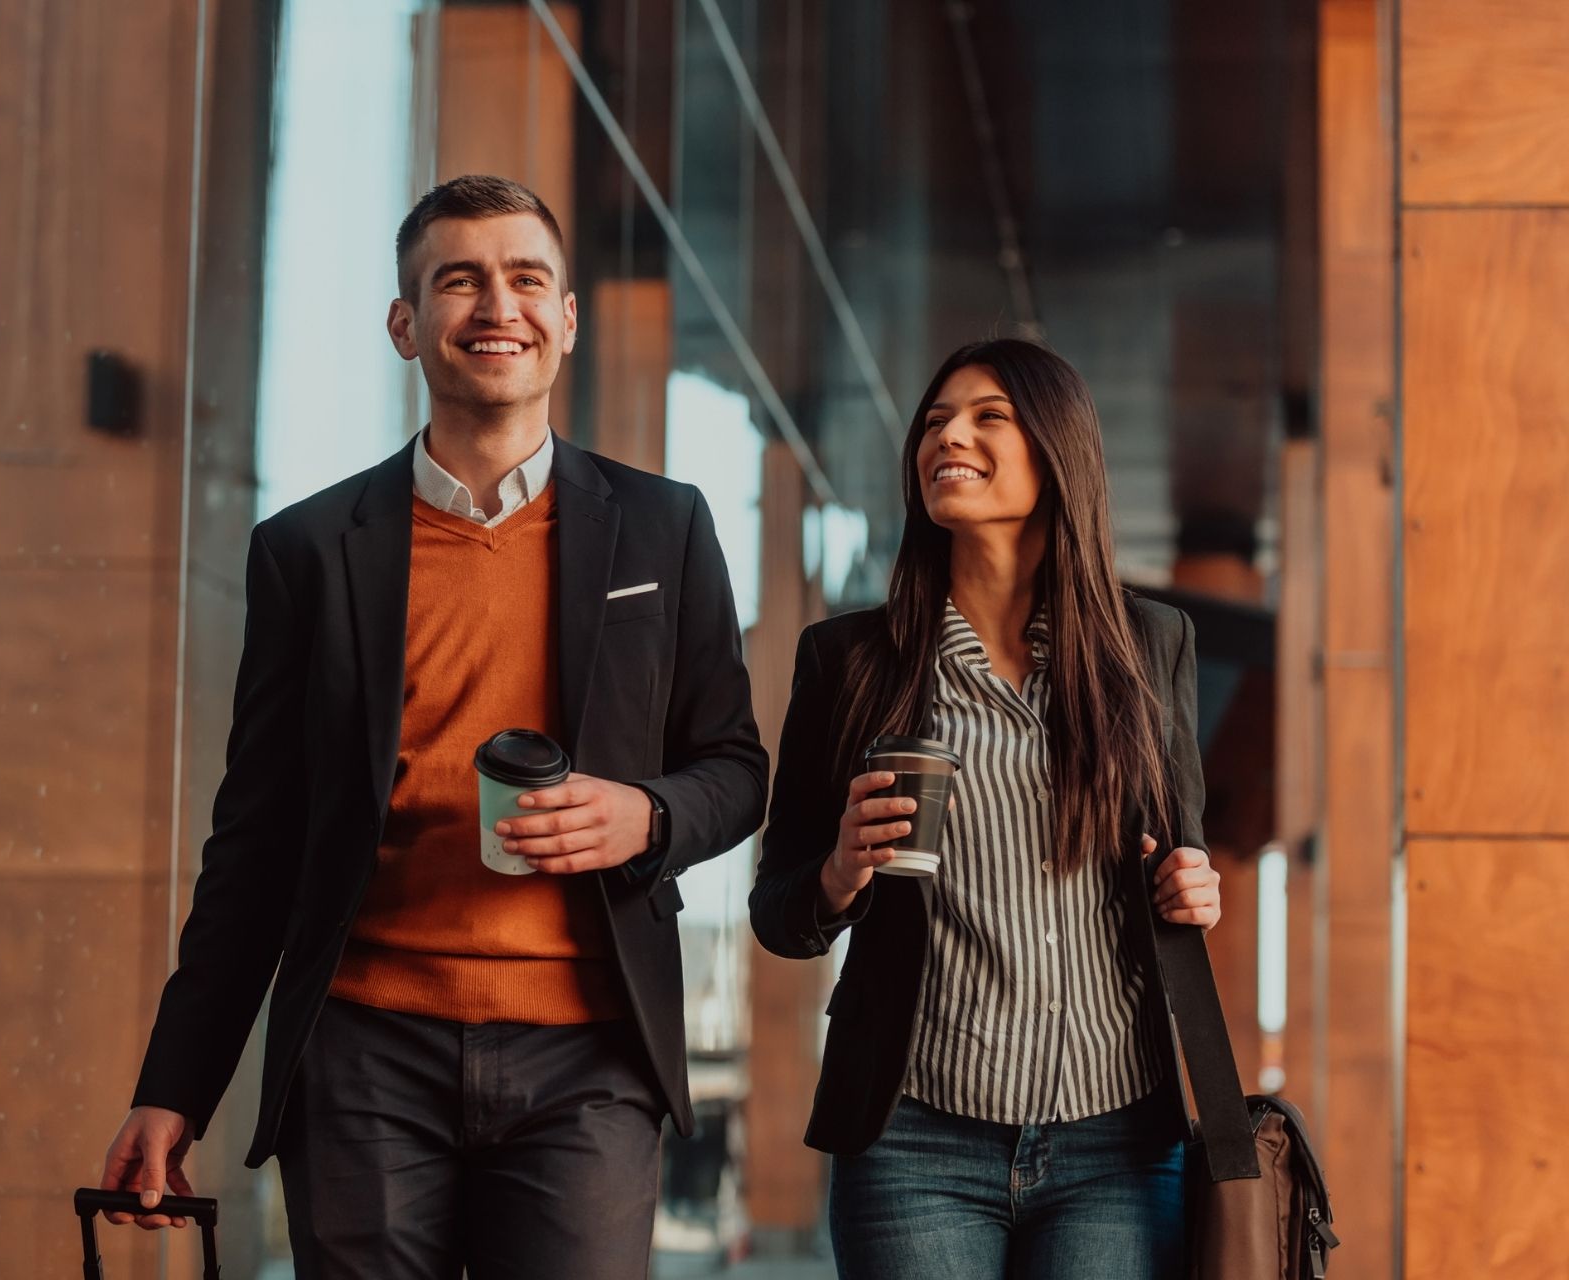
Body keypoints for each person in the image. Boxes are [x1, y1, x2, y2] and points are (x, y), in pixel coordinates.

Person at [98, 174, 768, 1279]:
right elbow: (256, 842)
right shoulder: (307, 551)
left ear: (566, 319)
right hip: (364, 1053)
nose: (498, 305)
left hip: (590, 1056)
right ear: (405, 324)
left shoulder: (666, 526)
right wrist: (175, 1085)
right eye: (460, 280)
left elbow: (736, 769)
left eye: (527, 279)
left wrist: (646, 815)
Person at [749, 338, 1223, 1279]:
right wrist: (840, 873)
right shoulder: (848, 662)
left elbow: (1183, 857)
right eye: (935, 421)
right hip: (912, 1142)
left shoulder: (1149, 645)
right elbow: (779, 910)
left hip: (1116, 1144)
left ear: (1058, 452)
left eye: (986, 417)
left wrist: (1192, 886)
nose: (947, 436)